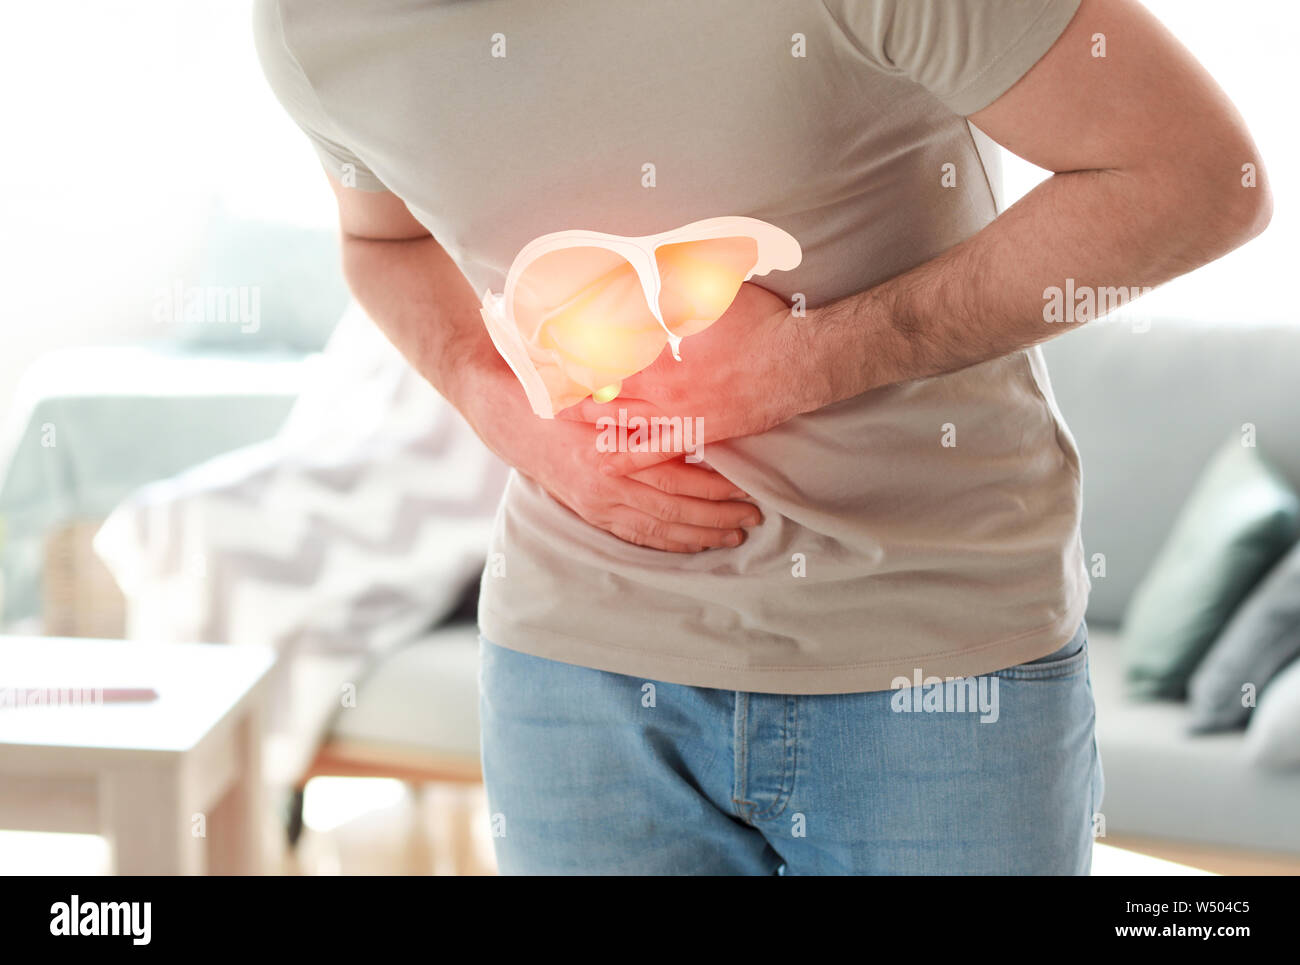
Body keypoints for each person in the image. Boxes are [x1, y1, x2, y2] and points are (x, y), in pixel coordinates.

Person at [255, 0, 1270, 874]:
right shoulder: (314, 30)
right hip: (572, 675)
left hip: (937, 665)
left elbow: (1194, 179)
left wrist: (800, 361)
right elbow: (381, 242)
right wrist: (511, 417)